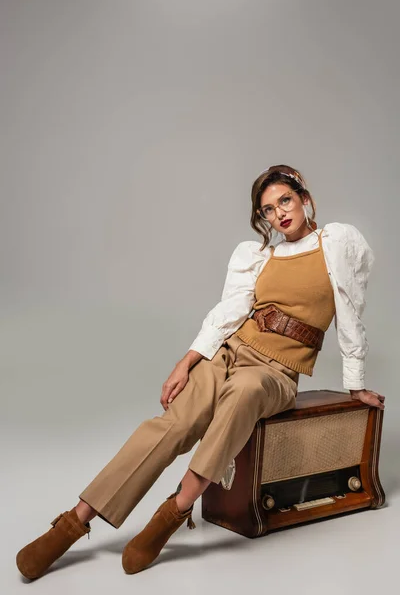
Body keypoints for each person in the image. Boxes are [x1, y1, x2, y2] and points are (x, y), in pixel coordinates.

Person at [16, 164, 385, 580]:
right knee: (173, 425)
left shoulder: (336, 244)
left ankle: (175, 510)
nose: (279, 213)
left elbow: (350, 314)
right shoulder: (259, 256)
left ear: (304, 199)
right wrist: (188, 360)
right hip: (230, 352)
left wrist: (355, 385)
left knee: (245, 391)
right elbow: (228, 314)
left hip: (276, 372)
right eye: (268, 209)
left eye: (285, 200)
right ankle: (73, 521)